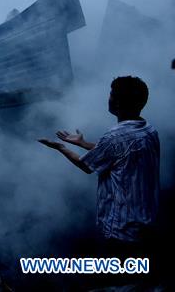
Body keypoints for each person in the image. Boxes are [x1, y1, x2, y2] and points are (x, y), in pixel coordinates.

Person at [38, 76, 159, 258]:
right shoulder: (148, 130)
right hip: (145, 221)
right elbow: (120, 153)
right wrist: (84, 143)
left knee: (123, 278)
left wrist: (60, 147)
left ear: (117, 103)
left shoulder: (114, 136)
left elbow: (86, 165)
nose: (108, 98)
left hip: (122, 228)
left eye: (111, 95)